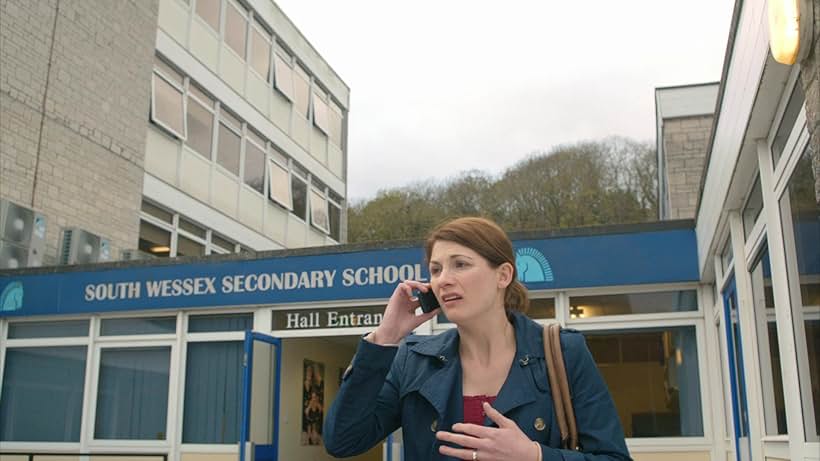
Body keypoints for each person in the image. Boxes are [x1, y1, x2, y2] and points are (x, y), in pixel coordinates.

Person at [324, 217, 632, 460]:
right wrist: (385, 337)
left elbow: (613, 457)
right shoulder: (414, 360)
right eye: (435, 269)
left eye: (460, 264)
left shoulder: (563, 353)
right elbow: (342, 440)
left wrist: (536, 456)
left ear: (503, 275)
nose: (443, 279)